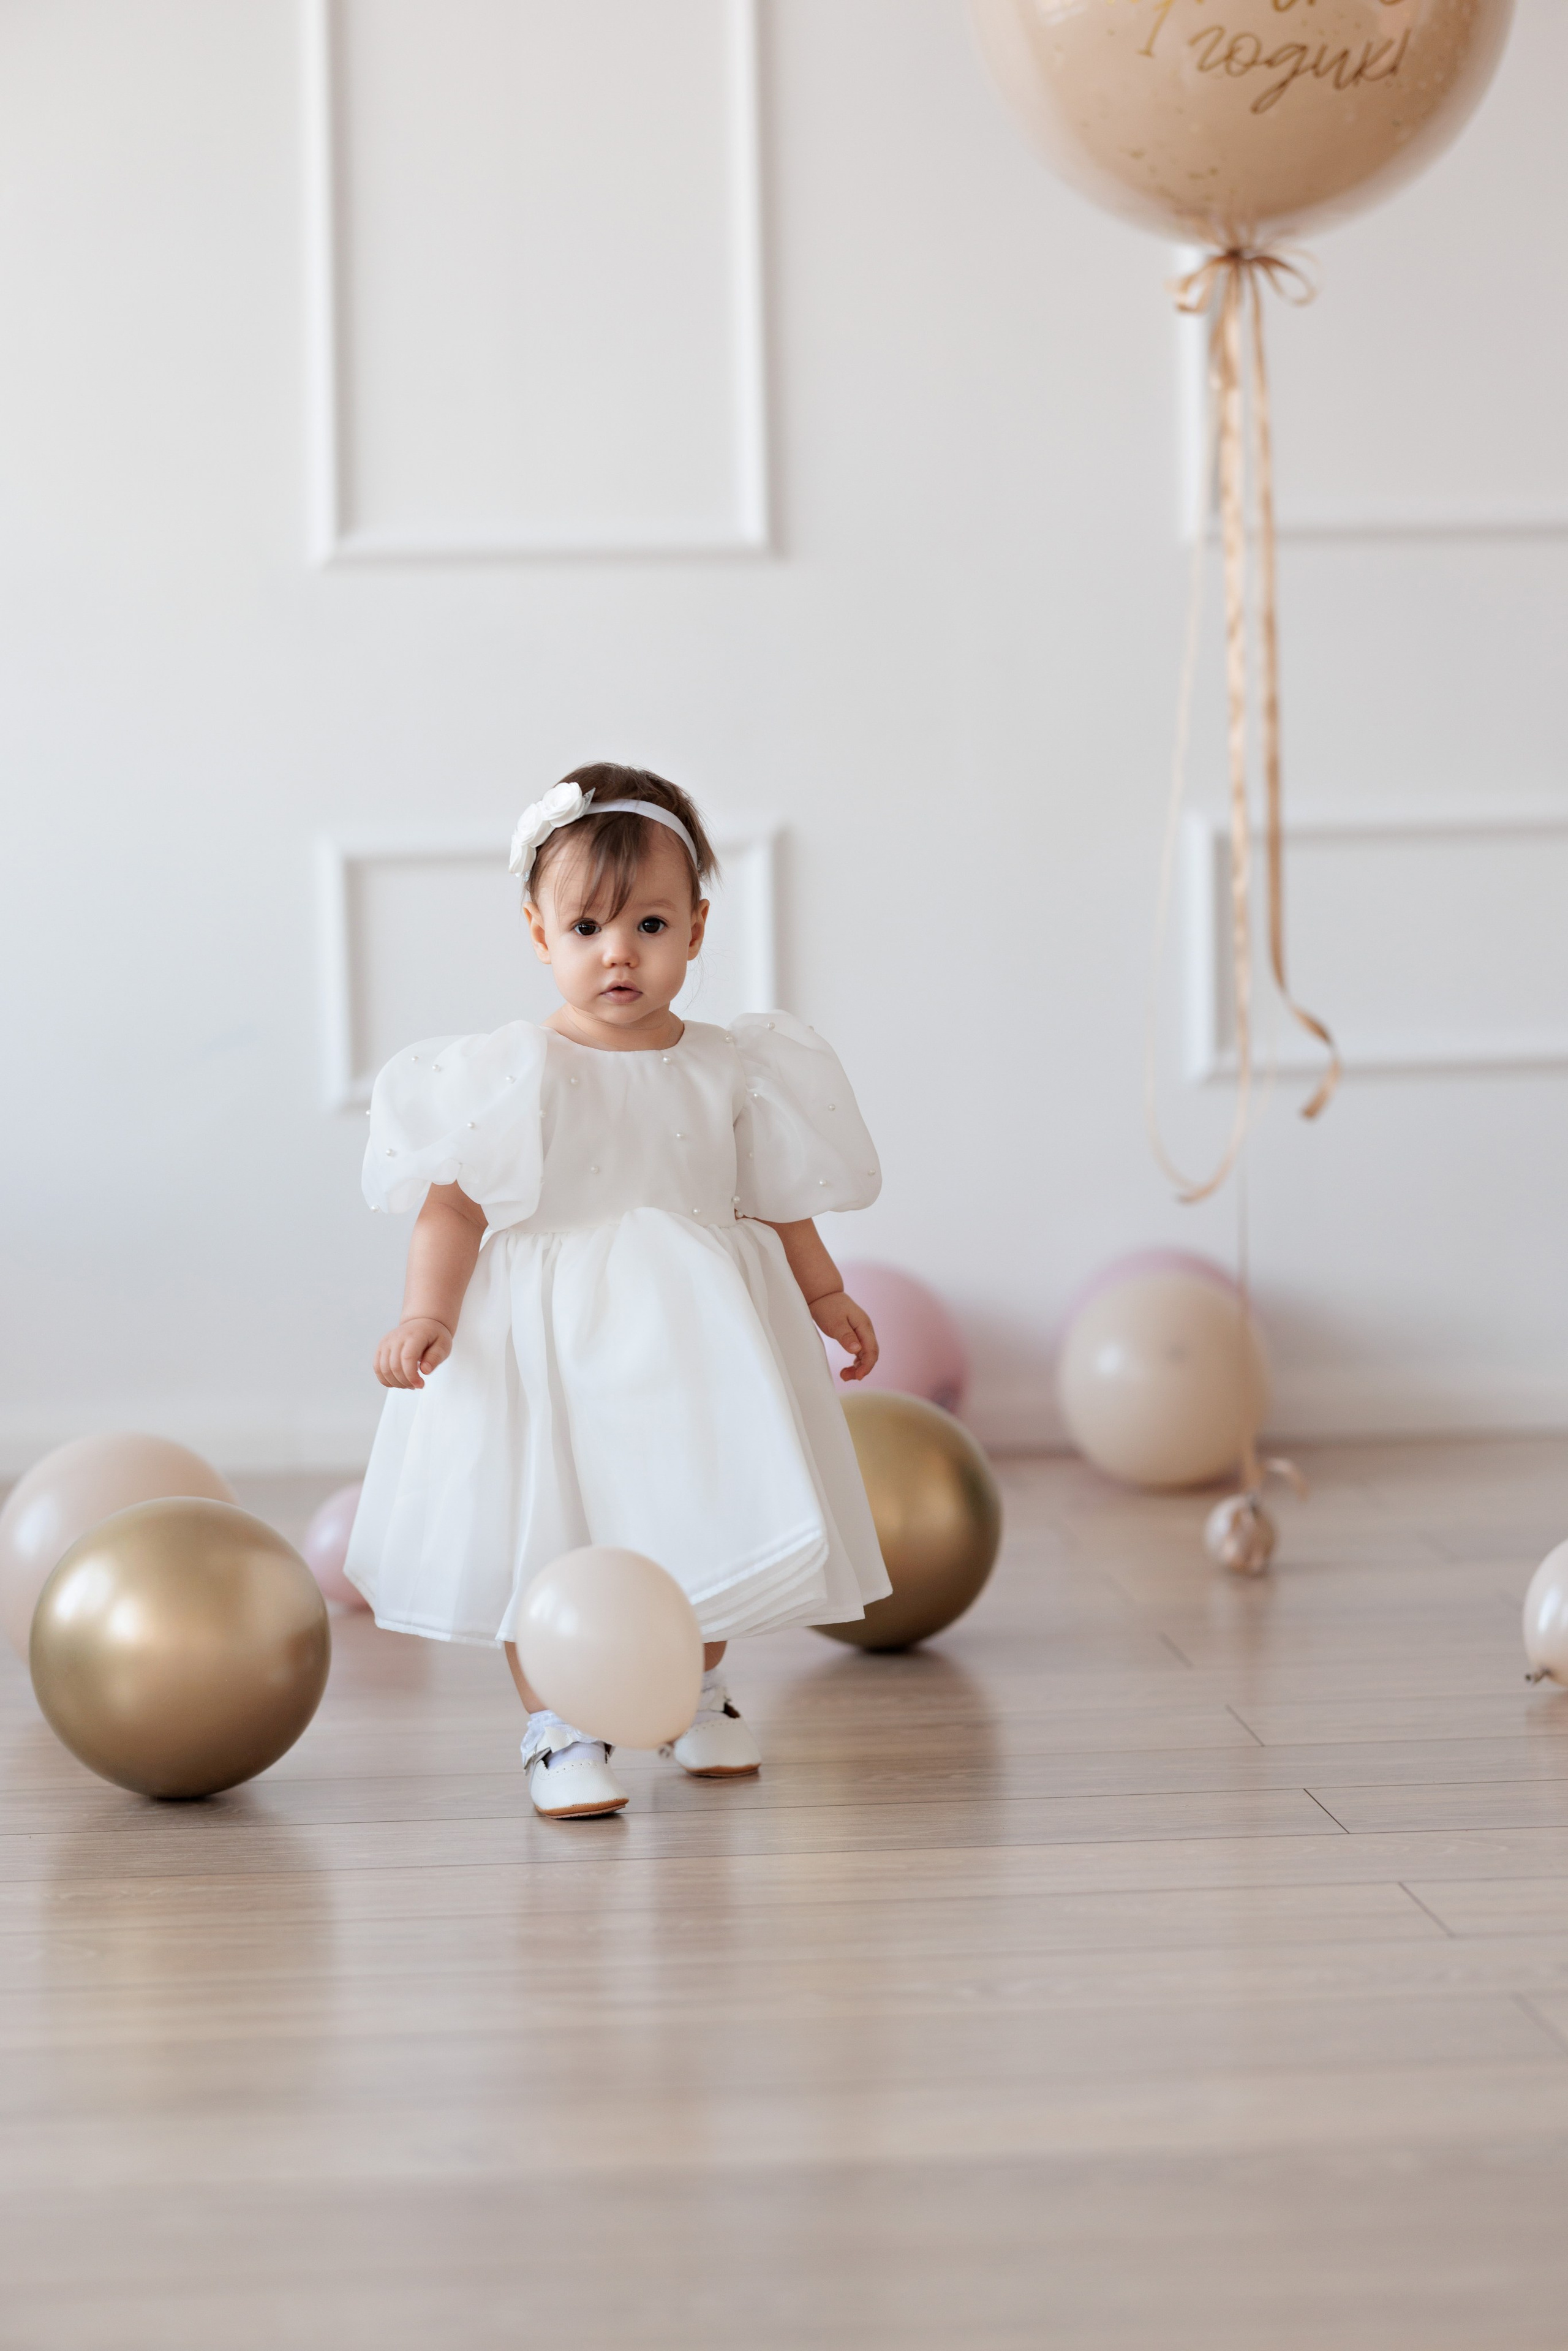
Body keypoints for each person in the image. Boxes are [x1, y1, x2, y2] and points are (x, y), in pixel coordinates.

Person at [345, 762, 889, 1819]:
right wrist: (430, 1313)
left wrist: (823, 1293)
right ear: (539, 934)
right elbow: (452, 1209)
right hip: (546, 1344)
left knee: (706, 1506)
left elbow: (776, 1196)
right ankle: (559, 1723)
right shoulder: (514, 1069)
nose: (619, 953)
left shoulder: (731, 1063)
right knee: (542, 1527)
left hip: (698, 1341)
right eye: (587, 926)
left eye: (648, 923)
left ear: (695, 925)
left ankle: (690, 1687)